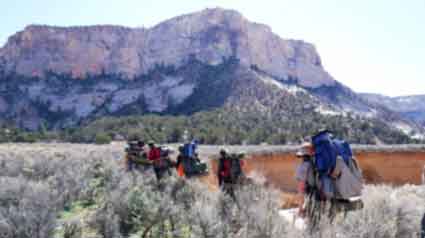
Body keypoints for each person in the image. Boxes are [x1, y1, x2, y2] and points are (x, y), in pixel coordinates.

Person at [294, 142, 316, 217]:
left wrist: (300, 209)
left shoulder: (303, 166)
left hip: (310, 192)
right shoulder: (315, 164)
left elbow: (301, 188)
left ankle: (302, 212)